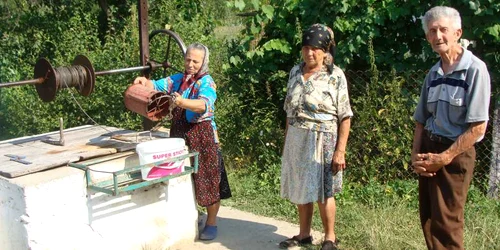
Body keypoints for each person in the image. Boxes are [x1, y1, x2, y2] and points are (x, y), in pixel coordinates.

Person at [133, 43, 232, 241]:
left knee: (208, 178)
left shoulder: (206, 82)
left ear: (204, 62)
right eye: (188, 59)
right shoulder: (178, 80)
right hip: (179, 134)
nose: (191, 64)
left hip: (202, 136)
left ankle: (212, 222)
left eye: (196, 61)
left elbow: (204, 104)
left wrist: (181, 102)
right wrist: (144, 81)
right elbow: (156, 85)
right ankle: (191, 215)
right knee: (180, 176)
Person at [412, 6, 491, 250]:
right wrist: (416, 155)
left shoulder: (475, 70)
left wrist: (444, 158)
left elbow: (478, 127)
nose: (438, 36)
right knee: (428, 220)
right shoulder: (433, 73)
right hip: (429, 149)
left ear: (458, 32)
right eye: (432, 31)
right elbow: (421, 119)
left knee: (448, 224)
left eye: (443, 30)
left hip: (455, 154)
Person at [279, 24, 353, 250]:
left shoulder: (335, 76)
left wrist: (340, 151)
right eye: (305, 48)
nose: (309, 53)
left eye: (315, 49)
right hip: (297, 138)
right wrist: (286, 144)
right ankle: (304, 234)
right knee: (302, 187)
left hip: (324, 139)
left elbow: (345, 116)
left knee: (324, 191)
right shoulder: (295, 72)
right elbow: (289, 113)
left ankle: (330, 237)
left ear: (325, 50)